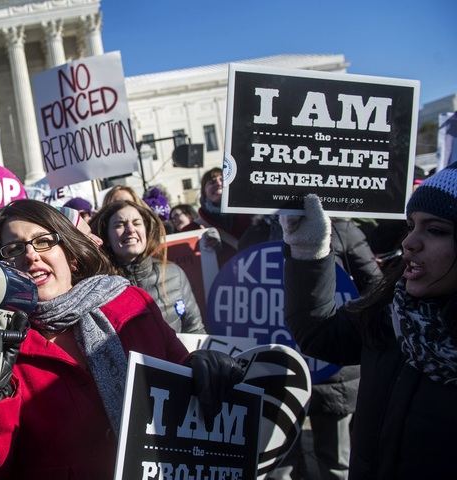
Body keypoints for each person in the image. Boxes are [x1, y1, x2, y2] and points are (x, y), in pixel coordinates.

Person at [0, 199, 241, 480]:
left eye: (44, 242)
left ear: (71, 257)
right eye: (13, 249)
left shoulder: (132, 303)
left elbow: (176, 365)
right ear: (0, 268)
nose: (30, 255)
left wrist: (201, 367)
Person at [280, 165, 457, 478]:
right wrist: (309, 251)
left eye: (436, 230)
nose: (409, 243)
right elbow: (318, 333)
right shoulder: (393, 311)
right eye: (411, 226)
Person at [240, 214, 381, 480]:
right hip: (277, 369)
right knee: (279, 464)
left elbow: (376, 286)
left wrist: (344, 316)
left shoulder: (341, 229)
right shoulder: (254, 234)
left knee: (336, 462)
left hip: (332, 372)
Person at [91, 200, 206, 334]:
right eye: (120, 225)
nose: (130, 230)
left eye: (136, 223)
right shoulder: (98, 287)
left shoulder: (174, 274)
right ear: (107, 238)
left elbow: (194, 328)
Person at [193, 167, 253, 265]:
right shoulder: (194, 228)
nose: (218, 183)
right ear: (204, 193)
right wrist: (201, 244)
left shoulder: (253, 216)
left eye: (223, 180)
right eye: (212, 182)